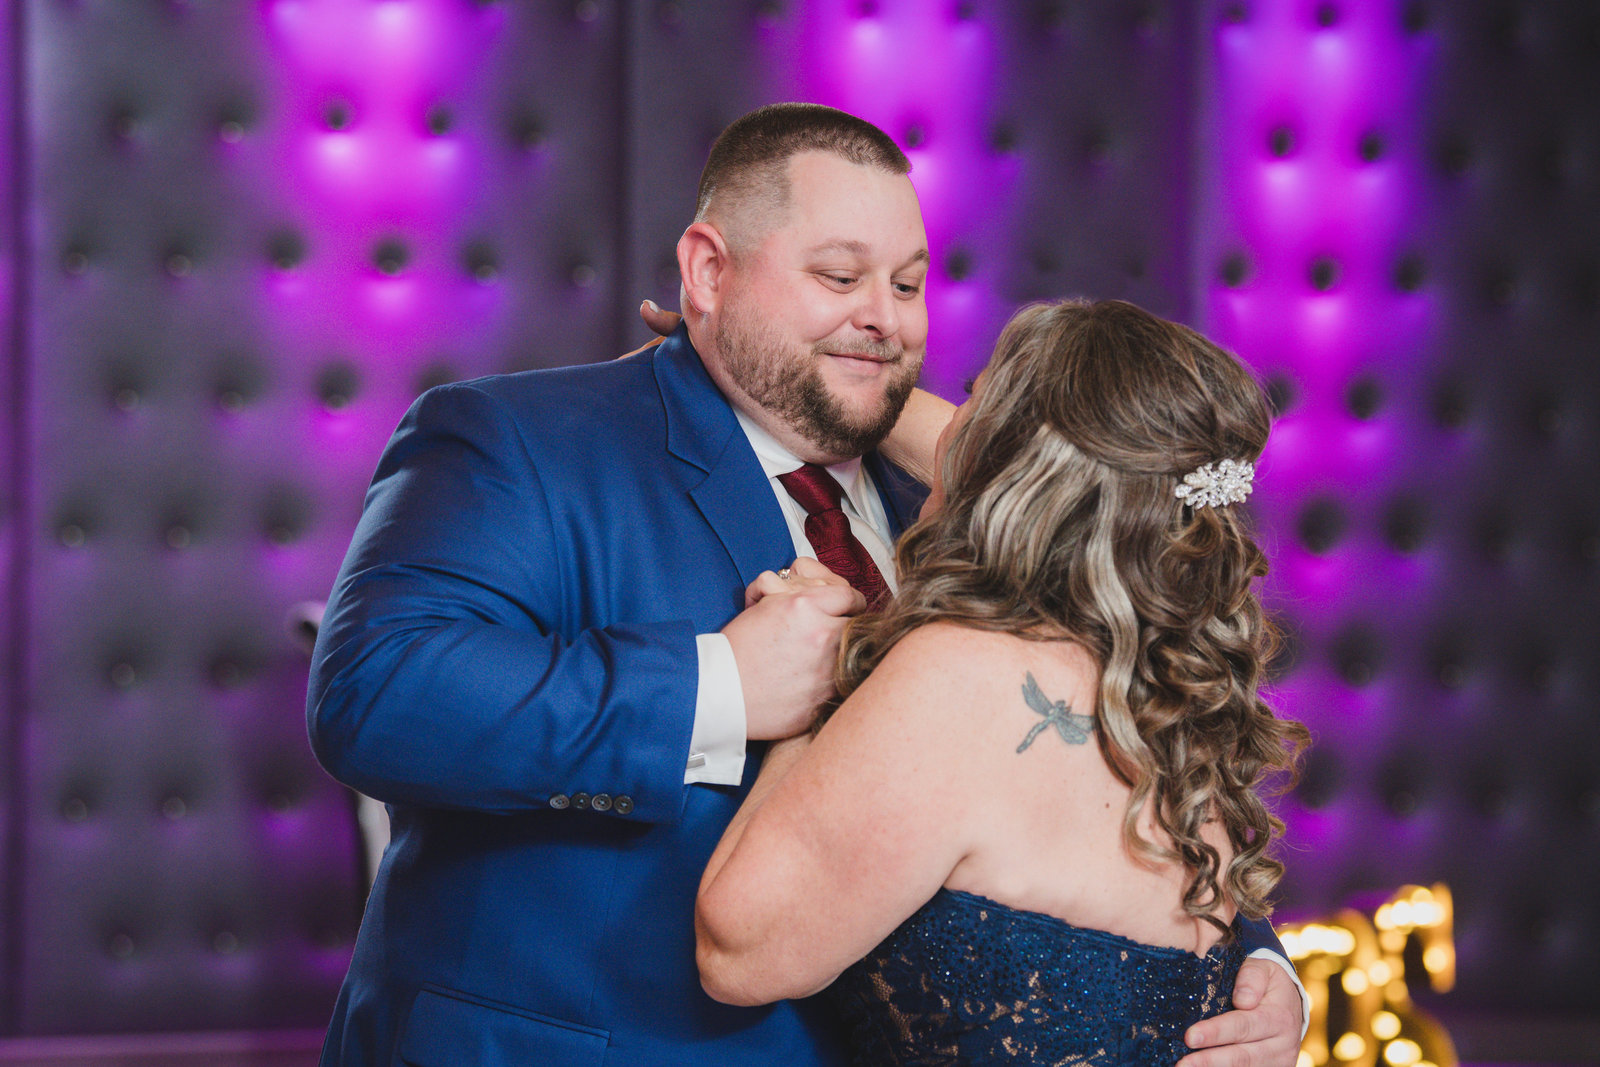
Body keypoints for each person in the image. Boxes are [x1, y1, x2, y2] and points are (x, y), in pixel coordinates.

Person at [307, 103, 1305, 1066]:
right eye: (839, 275)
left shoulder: (965, 501)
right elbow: (376, 694)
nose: (880, 316)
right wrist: (719, 686)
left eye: (908, 286)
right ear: (708, 268)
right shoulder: (525, 441)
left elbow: (1116, 735)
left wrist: (1248, 964)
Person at [694, 297, 1311, 1065]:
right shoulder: (1166, 687)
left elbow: (737, 949)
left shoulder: (965, 674)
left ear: (1013, 469)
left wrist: (822, 677)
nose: (949, 426)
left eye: (977, 397)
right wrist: (760, 348)